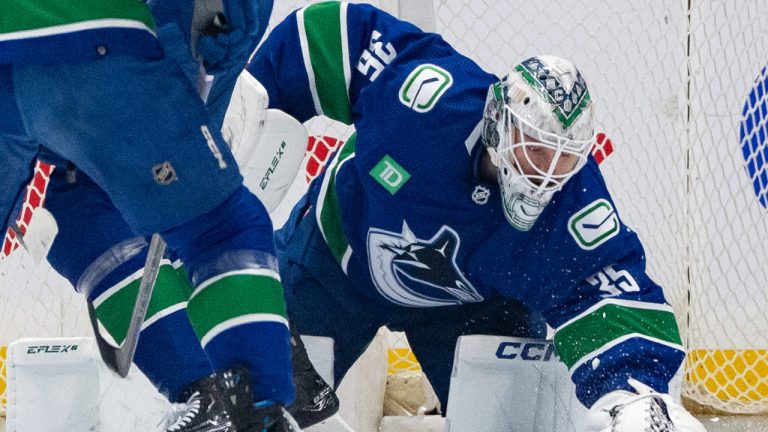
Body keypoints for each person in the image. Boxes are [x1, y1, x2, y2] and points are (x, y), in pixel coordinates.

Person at [240, 1, 708, 430]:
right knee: (250, 398)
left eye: (563, 158)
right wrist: (255, 98)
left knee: (513, 424)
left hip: (471, 306)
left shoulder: (572, 201)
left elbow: (607, 285)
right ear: (499, 123)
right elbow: (331, 35)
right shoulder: (425, 100)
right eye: (537, 150)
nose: (547, 175)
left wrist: (633, 392)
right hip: (336, 266)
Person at [0, 1, 301, 431]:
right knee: (217, 225)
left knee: (71, 208)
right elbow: (223, 22)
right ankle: (259, 411)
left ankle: (205, 391)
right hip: (88, 38)